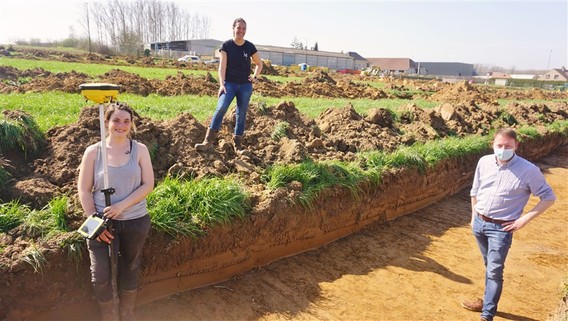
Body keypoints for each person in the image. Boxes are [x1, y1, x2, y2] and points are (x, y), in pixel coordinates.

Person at [462, 128, 556, 321]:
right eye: (499, 145)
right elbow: (475, 190)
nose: (503, 149)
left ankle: (487, 314)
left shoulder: (529, 170)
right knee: (489, 265)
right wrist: (473, 216)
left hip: (501, 229)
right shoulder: (484, 162)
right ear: (493, 145)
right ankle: (487, 300)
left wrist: (523, 220)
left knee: (495, 270)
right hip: (480, 223)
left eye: (507, 146)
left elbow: (548, 197)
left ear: (516, 146)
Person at [78, 102, 154, 321]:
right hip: (102, 222)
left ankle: (127, 312)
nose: (121, 125)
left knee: (130, 267)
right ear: (107, 123)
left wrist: (121, 206)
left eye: (126, 121)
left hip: (135, 220)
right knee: (101, 275)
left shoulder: (139, 150)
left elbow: (148, 184)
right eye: (116, 120)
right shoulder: (93, 152)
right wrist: (95, 223)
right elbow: (83, 190)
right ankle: (108, 314)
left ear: (131, 124)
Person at [195, 17, 263, 152]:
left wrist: (255, 77)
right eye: (238, 28)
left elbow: (259, 63)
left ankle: (238, 146)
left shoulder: (249, 46)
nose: (241, 31)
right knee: (221, 108)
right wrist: (221, 84)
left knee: (241, 114)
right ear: (233, 29)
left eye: (243, 29)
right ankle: (208, 142)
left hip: (245, 86)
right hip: (229, 84)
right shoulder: (226, 46)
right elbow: (222, 66)